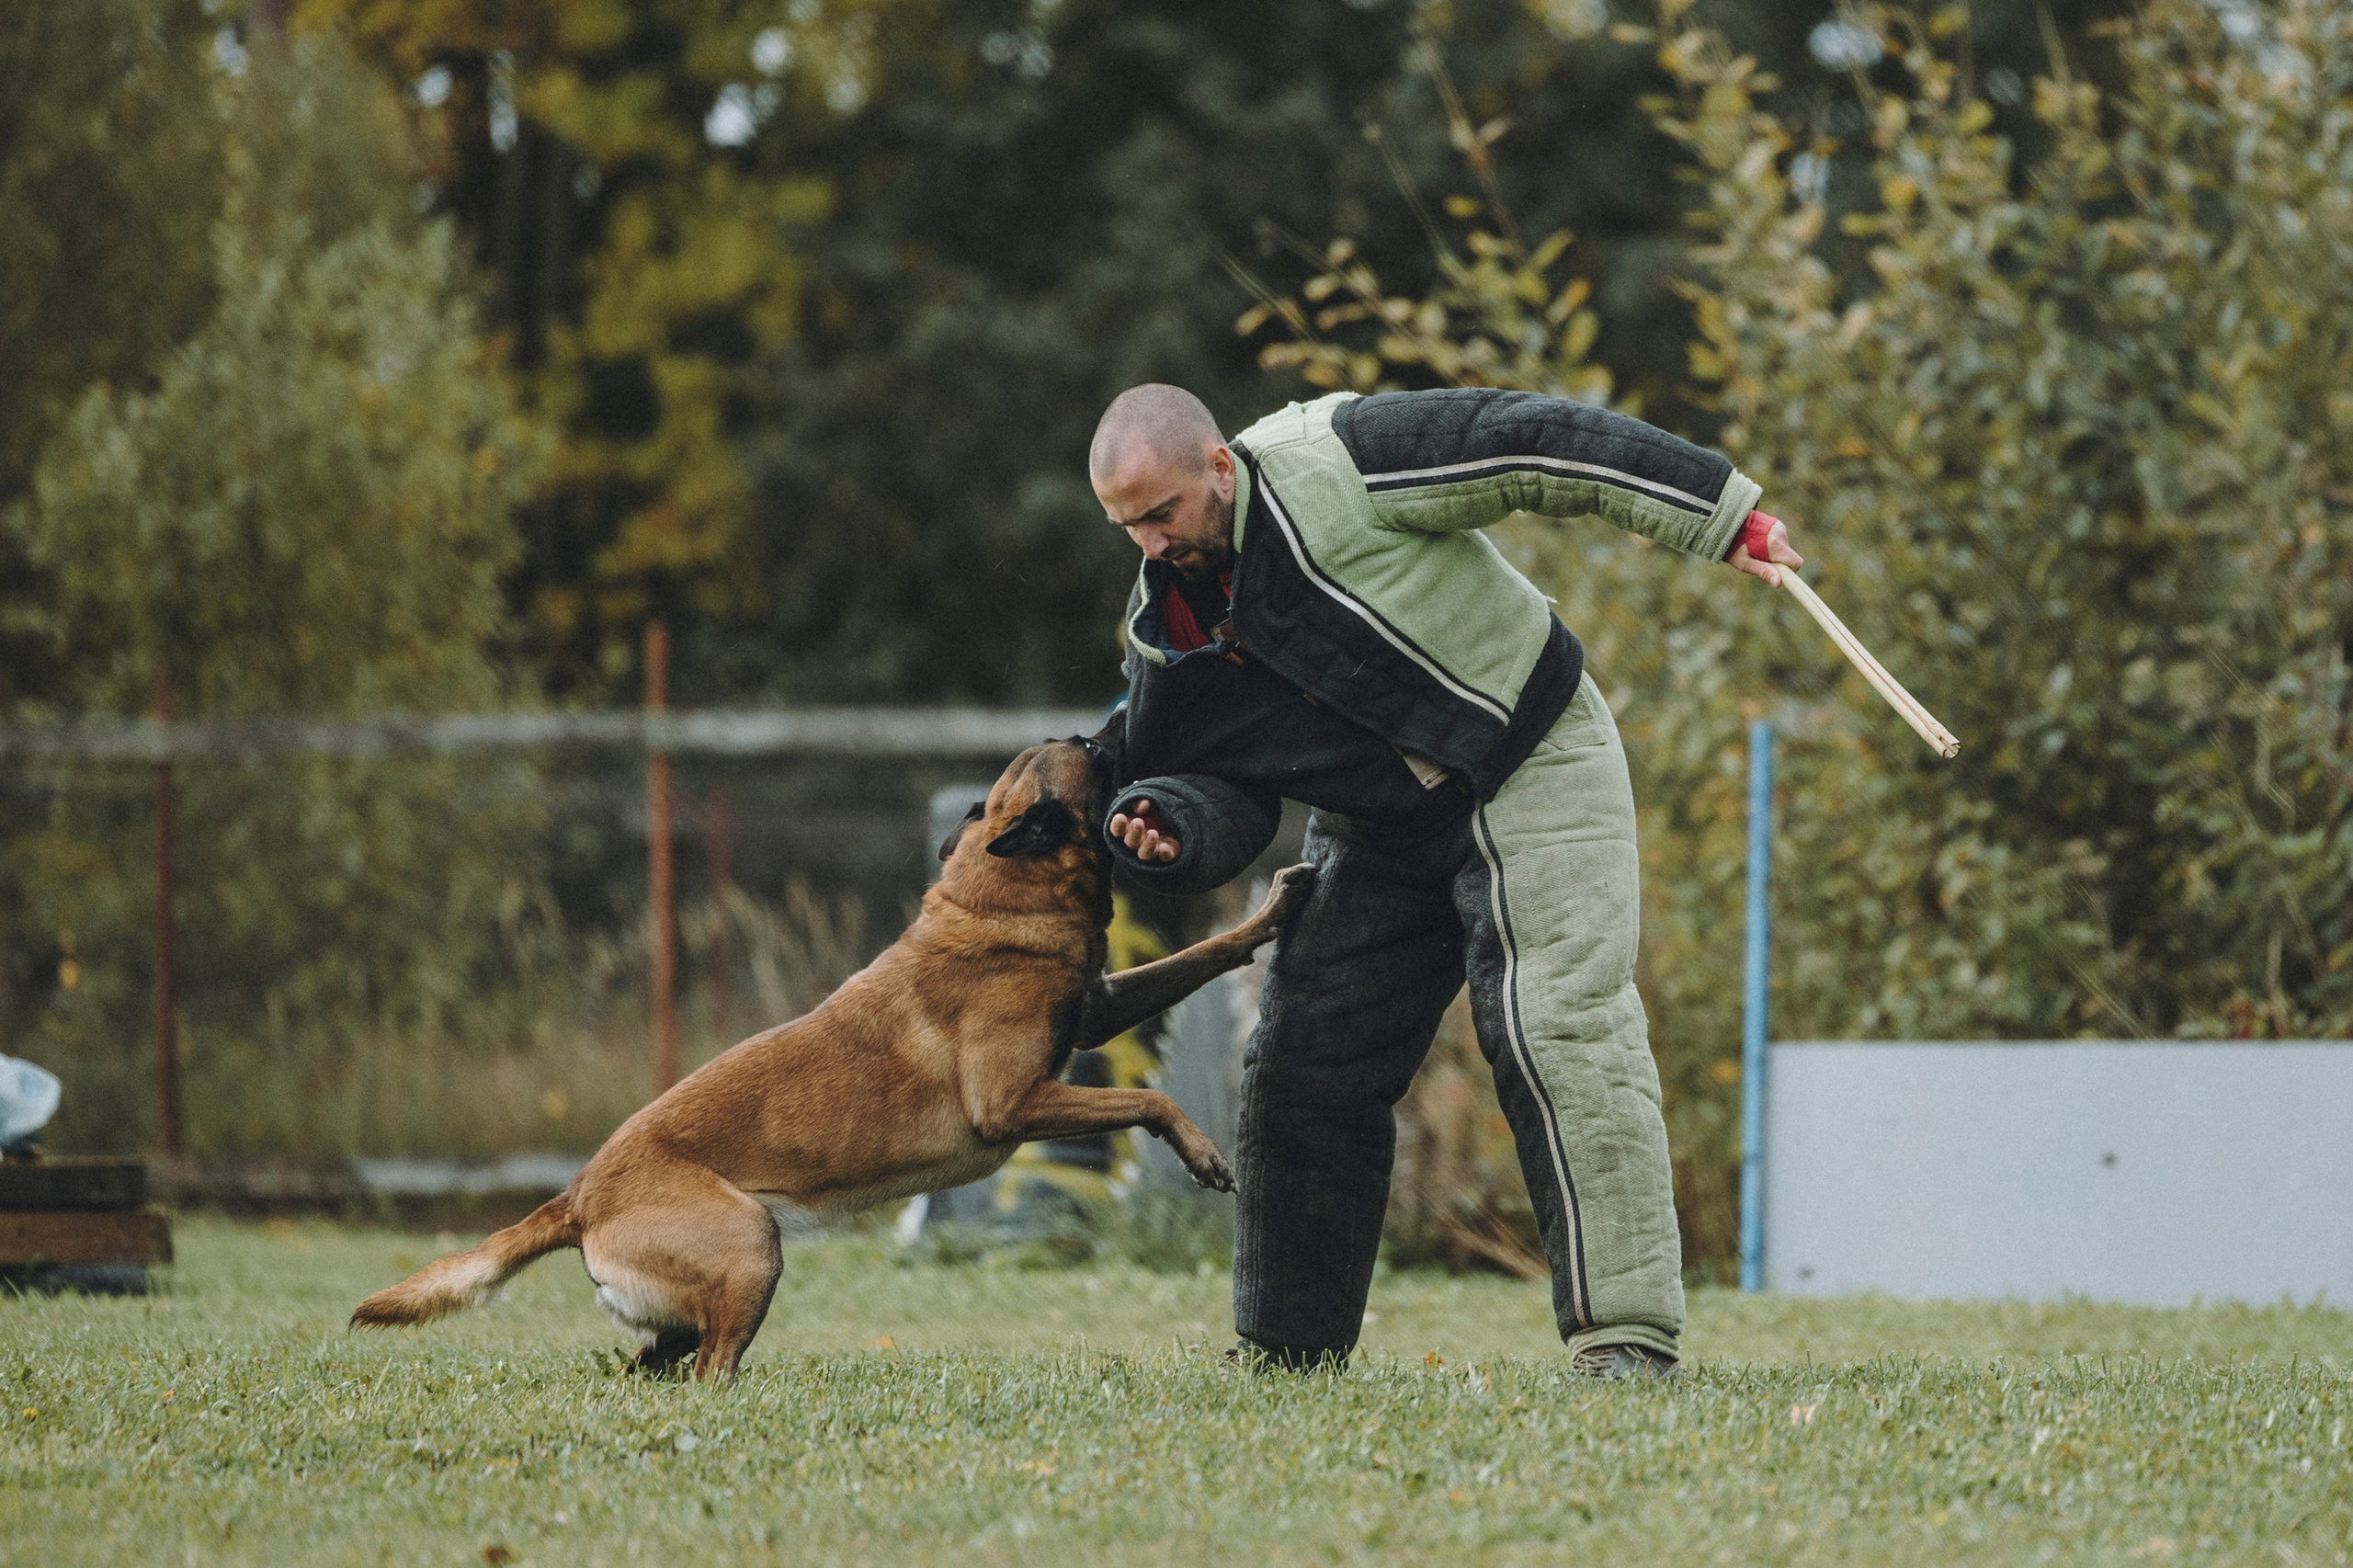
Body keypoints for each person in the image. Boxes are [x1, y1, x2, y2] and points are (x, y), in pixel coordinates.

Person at [1086, 382, 1801, 1380]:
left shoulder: (1339, 460)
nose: (1152, 545)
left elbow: (1531, 443)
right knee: (1304, 1057)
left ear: (1218, 466)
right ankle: (1287, 1353)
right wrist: (1172, 826)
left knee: (1556, 1022)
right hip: (1382, 818)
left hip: (1529, 751)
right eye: (1127, 529)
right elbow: (1223, 783)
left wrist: (1718, 516)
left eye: (1160, 515)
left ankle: (1623, 1338)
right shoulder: (1168, 626)